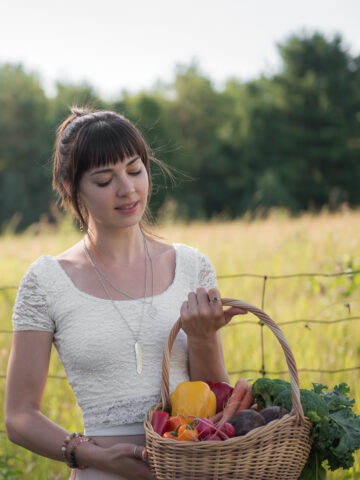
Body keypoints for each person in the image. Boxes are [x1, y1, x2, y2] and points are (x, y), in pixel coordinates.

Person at [4, 107, 247, 479]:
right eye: (104, 180)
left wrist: (202, 338)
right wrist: (93, 457)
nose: (127, 188)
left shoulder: (192, 266)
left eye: (135, 170)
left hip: (187, 469)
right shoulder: (46, 281)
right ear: (71, 188)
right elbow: (19, 418)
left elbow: (217, 399)